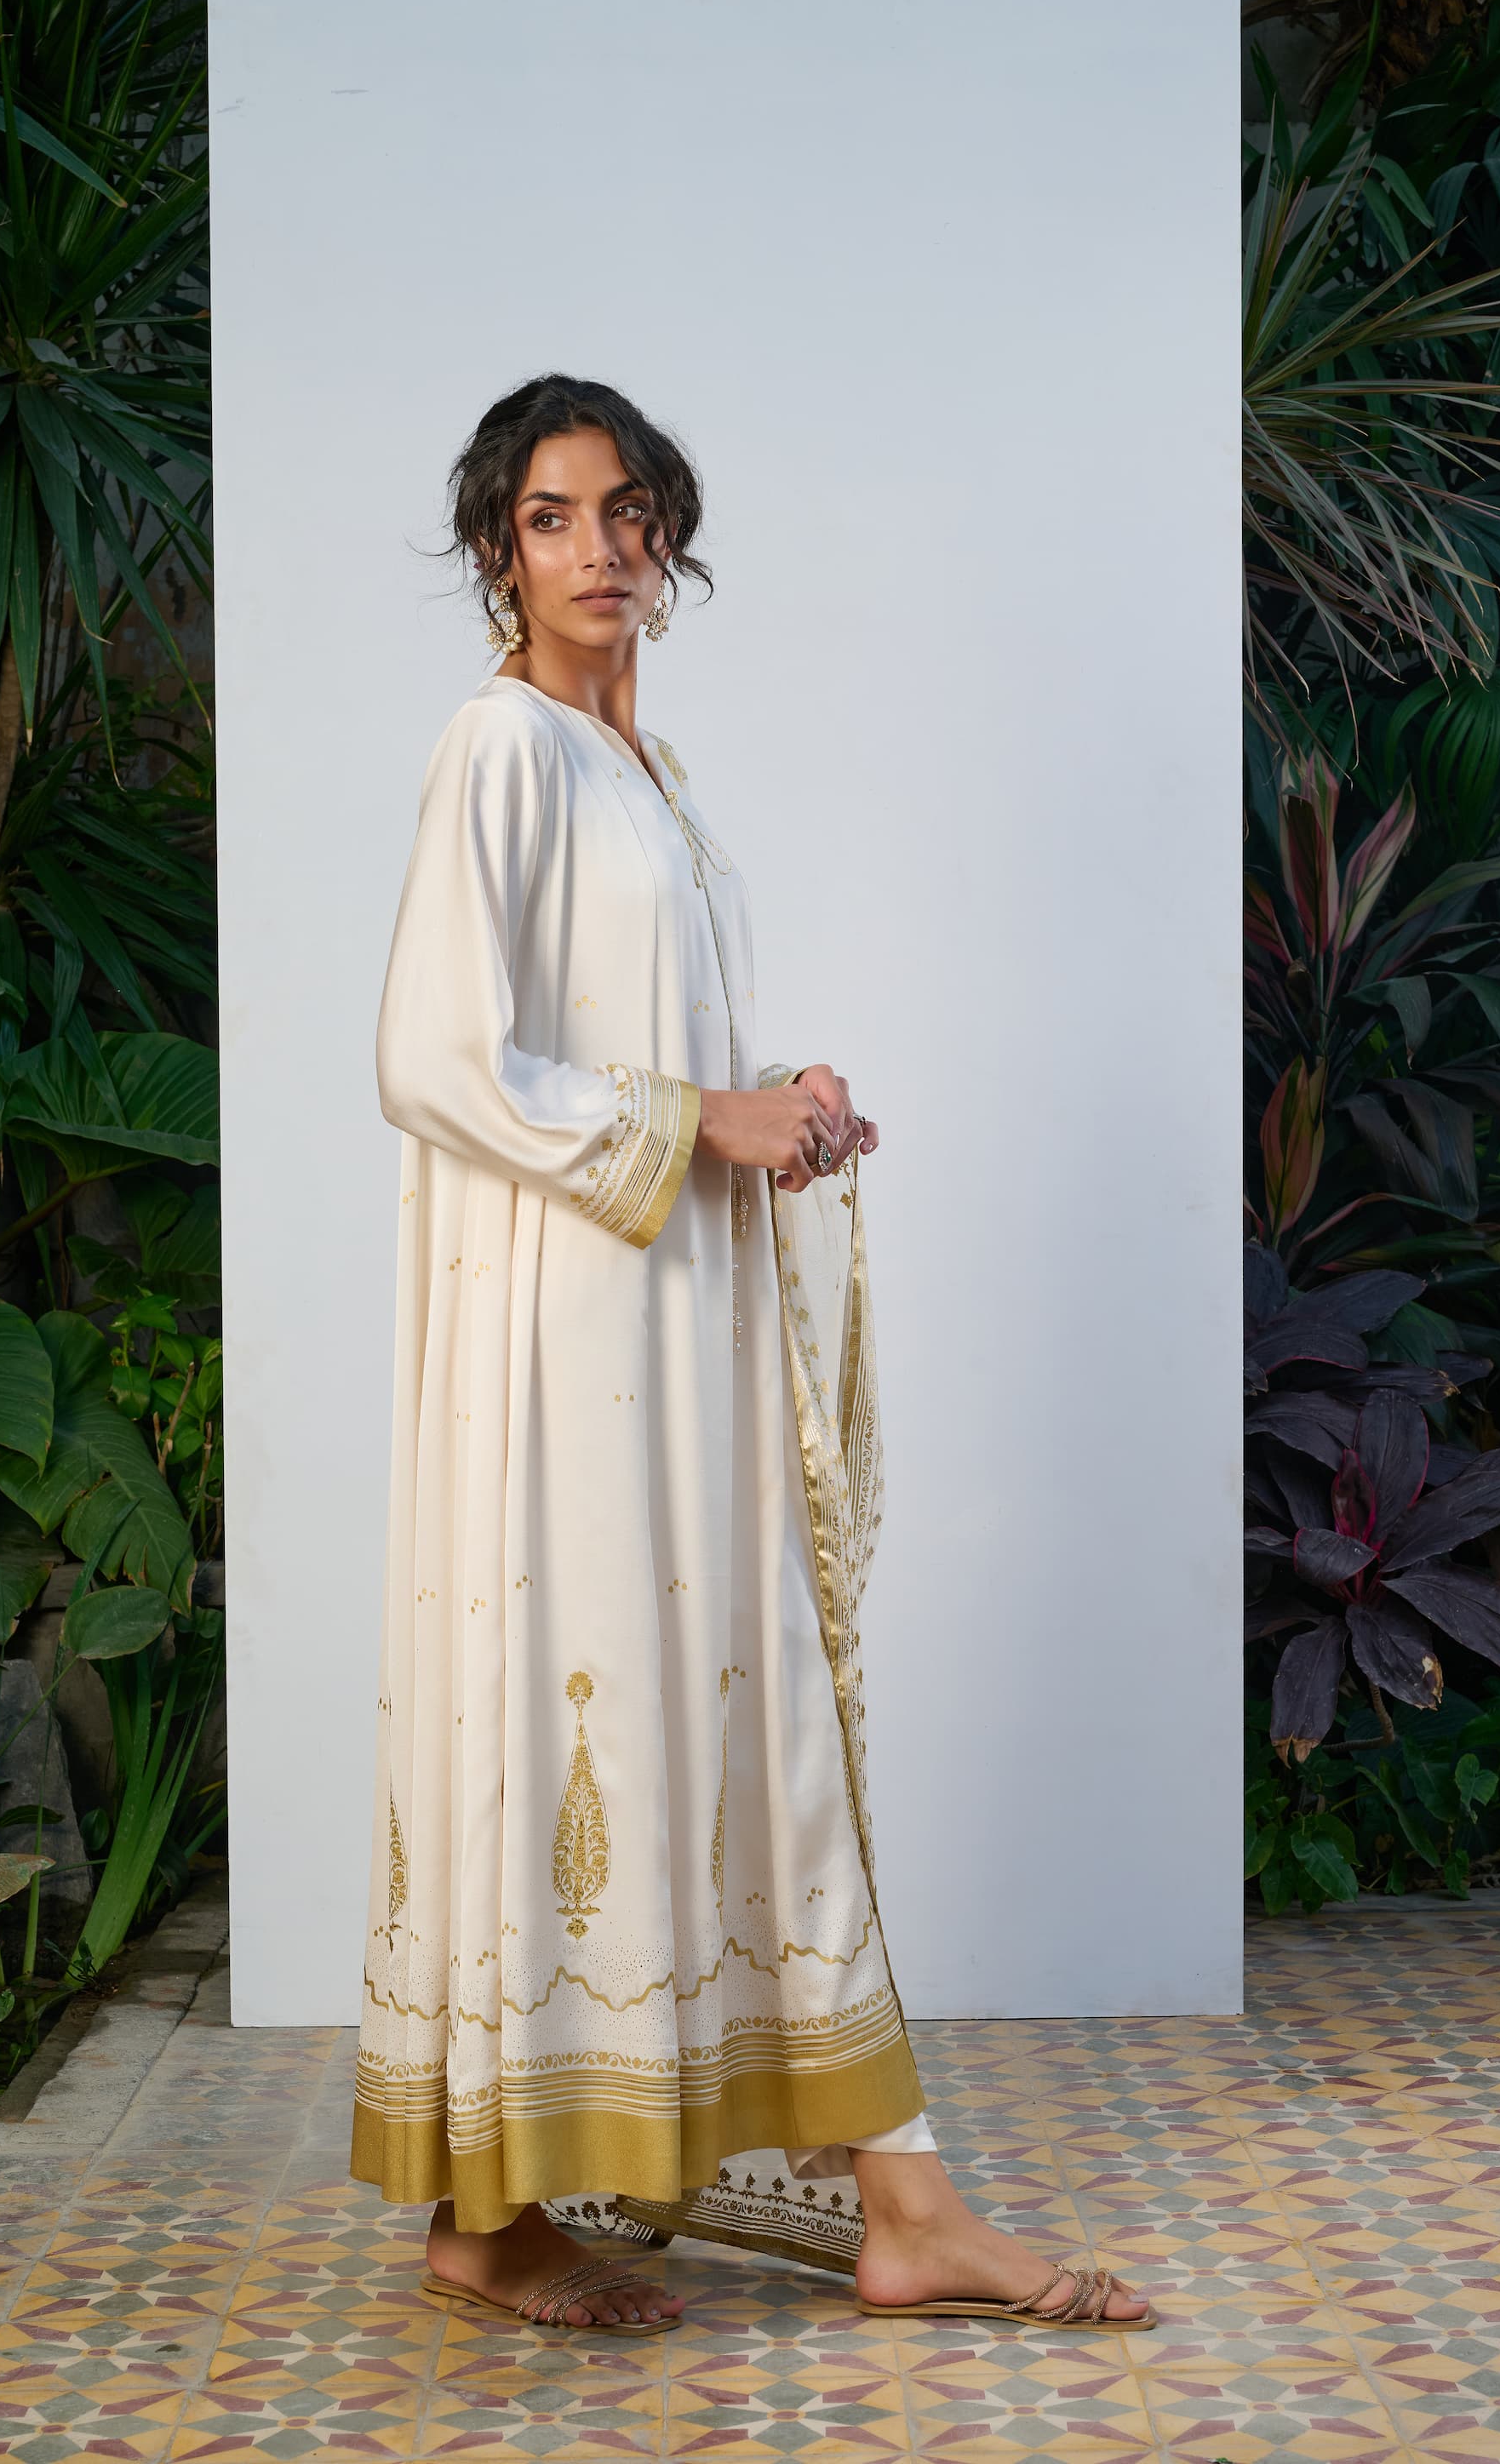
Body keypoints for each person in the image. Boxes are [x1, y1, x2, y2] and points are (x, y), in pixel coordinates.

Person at [350, 374, 1152, 2338]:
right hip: (564, 1358)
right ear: (497, 552)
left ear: (669, 538)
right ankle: (498, 2223)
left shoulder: (647, 774)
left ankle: (893, 2207)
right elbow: (433, 1059)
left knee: (750, 1720)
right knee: (587, 1719)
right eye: (553, 517)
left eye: (628, 511)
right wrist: (697, 1120)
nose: (600, 549)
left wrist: (776, 1102)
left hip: (677, 1331)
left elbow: (639, 1048)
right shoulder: (501, 747)